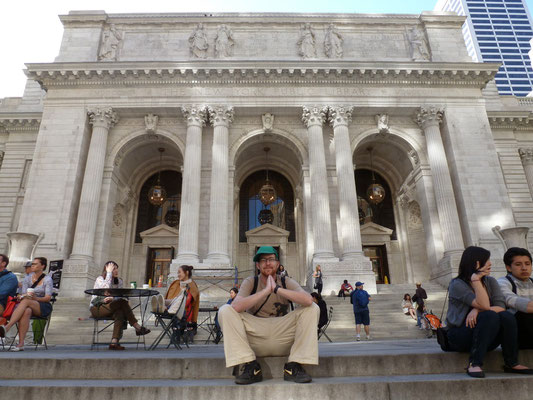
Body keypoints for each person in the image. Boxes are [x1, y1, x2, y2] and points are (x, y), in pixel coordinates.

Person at [218, 246, 319, 385]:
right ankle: (250, 365)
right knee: (225, 310)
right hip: (256, 335)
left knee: (312, 308)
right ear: (258, 265)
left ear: (278, 264)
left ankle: (294, 365)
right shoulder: (250, 282)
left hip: (283, 334)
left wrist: (277, 289)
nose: (267, 263)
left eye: (271, 259)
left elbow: (308, 300)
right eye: (263, 260)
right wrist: (265, 291)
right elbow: (236, 306)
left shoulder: (286, 281)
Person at [444, 246, 533, 378]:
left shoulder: (490, 281)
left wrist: (476, 310)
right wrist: (475, 280)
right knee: (489, 315)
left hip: (485, 334)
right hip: (459, 335)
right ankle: (474, 364)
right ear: (475, 263)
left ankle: (511, 362)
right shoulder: (457, 284)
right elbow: (485, 305)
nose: (490, 263)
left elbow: (501, 306)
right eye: (486, 260)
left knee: (506, 316)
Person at [89, 261, 150, 350]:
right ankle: (137, 326)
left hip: (112, 307)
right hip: (97, 308)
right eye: (113, 269)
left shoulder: (119, 281)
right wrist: (109, 273)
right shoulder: (100, 279)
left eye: (116, 268)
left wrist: (113, 299)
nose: (116, 271)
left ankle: (114, 342)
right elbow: (104, 288)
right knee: (122, 302)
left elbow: (120, 296)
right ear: (107, 269)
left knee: (120, 312)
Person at [0, 257, 54, 351]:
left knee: (26, 302)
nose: (32, 266)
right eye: (32, 264)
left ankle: (7, 327)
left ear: (42, 266)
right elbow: (23, 293)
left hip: (42, 305)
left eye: (35, 264)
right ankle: (21, 344)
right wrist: (21, 296)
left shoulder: (47, 279)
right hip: (27, 304)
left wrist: (35, 298)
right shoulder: (27, 278)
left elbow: (48, 298)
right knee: (26, 311)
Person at [497, 247, 533, 349]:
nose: (524, 268)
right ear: (508, 267)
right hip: (516, 334)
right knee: (525, 314)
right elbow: (515, 302)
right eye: (518, 264)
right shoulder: (502, 283)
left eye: (527, 263)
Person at [152, 265, 200, 339]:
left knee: (181, 299)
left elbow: (187, 302)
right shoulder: (176, 283)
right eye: (177, 273)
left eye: (179, 272)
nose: (178, 275)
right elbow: (171, 296)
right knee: (171, 300)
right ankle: (162, 305)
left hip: (183, 311)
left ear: (186, 272)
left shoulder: (192, 285)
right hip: (173, 305)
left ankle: (165, 307)